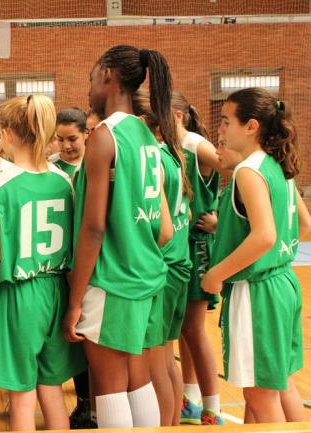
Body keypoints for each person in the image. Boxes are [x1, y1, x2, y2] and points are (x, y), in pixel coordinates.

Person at [64, 45, 174, 429]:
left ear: (109, 75)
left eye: (92, 77)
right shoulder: (145, 132)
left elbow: (93, 228)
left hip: (113, 281)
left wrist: (74, 300)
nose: (89, 87)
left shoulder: (104, 136)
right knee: (137, 380)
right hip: (146, 277)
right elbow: (163, 228)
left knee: (109, 387)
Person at [203, 88, 310, 423]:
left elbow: (264, 235)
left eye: (225, 121)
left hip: (259, 292)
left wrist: (216, 274)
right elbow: (304, 225)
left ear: (251, 126)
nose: (220, 129)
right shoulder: (277, 166)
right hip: (284, 283)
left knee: (260, 396)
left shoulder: (249, 171)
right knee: (280, 385)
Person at [0, 94, 85, 431]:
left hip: (19, 296)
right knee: (52, 388)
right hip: (57, 290)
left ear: (9, 135)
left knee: (22, 394)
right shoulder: (63, 180)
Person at [132, 89, 192, 425]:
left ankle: (165, 426)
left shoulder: (151, 157)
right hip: (178, 265)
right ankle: (171, 425)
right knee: (166, 359)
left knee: (155, 365)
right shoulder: (171, 152)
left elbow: (162, 228)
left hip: (164, 267)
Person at [171, 92, 227, 425]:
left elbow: (233, 165)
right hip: (180, 246)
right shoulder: (175, 150)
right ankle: (191, 399)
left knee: (194, 329)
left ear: (175, 117)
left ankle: (213, 408)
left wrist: (221, 217)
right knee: (183, 329)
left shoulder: (194, 143)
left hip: (197, 247)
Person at [48, 108, 88, 179]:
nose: (66, 146)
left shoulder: (94, 165)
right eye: (60, 139)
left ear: (86, 133)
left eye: (72, 139)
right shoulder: (49, 164)